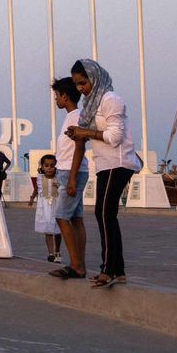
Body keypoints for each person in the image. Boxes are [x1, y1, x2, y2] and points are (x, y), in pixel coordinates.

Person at [65, 58, 135, 289]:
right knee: (106, 214)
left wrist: (85, 131)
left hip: (118, 162)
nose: (81, 89)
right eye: (77, 85)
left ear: (94, 78)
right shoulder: (92, 104)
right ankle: (118, 270)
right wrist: (80, 134)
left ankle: (108, 270)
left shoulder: (110, 100)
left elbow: (115, 137)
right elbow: (94, 132)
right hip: (105, 164)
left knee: (104, 213)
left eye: (83, 83)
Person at [48, 77, 88, 280]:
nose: (56, 99)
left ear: (65, 95)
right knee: (76, 219)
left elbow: (79, 147)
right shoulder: (72, 116)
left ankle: (76, 265)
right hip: (69, 171)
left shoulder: (75, 117)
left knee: (62, 217)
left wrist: (71, 179)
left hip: (72, 173)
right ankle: (79, 263)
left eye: (57, 95)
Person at [31, 153, 61, 263]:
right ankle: (51, 253)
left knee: (58, 230)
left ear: (55, 166)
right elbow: (36, 189)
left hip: (56, 206)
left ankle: (57, 250)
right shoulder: (40, 178)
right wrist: (32, 198)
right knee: (48, 230)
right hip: (44, 207)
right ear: (42, 166)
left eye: (52, 165)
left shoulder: (58, 178)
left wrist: (59, 186)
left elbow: (63, 190)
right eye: (46, 165)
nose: (49, 168)